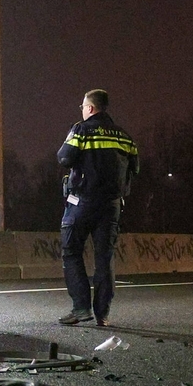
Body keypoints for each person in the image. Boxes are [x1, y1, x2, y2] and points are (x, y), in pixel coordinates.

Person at [56, 89, 138, 326]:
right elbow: (136, 167)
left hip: (83, 201)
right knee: (105, 257)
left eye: (82, 106)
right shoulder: (124, 136)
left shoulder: (81, 130)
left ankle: (81, 308)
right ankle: (102, 314)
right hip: (111, 205)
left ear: (90, 108)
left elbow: (64, 158)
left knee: (72, 251)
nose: (81, 110)